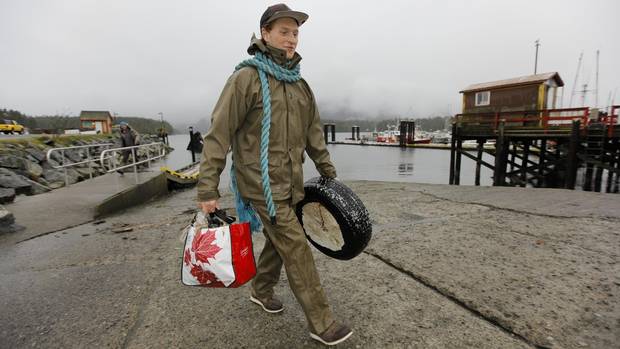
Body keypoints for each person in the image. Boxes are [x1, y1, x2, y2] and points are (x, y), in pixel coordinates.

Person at [196, 4, 352, 346]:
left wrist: (327, 170)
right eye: (284, 31)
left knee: (280, 241)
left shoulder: (300, 86)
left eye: (295, 32)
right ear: (265, 33)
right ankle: (322, 322)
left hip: (291, 183)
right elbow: (218, 134)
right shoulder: (245, 79)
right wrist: (208, 188)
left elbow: (313, 132)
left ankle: (261, 289)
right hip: (260, 186)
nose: (291, 38)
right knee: (296, 247)